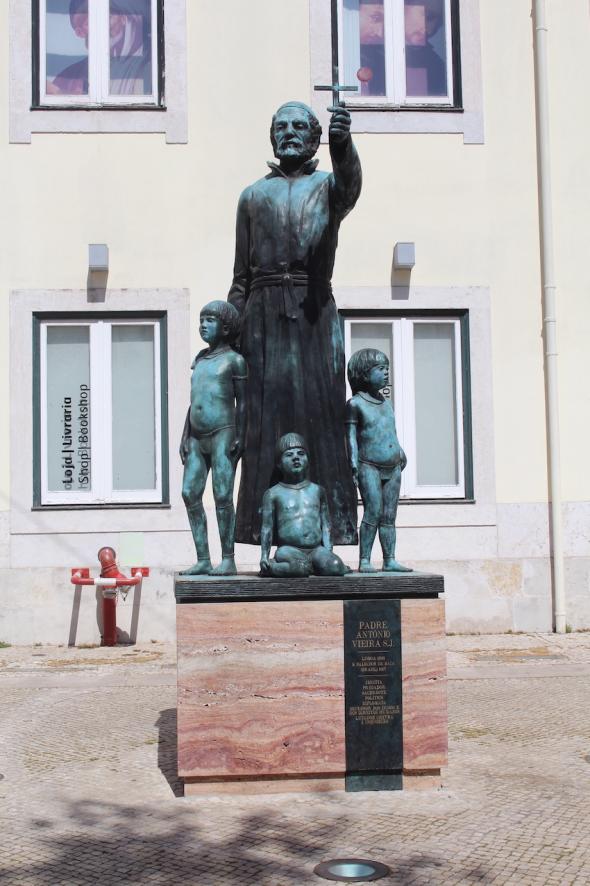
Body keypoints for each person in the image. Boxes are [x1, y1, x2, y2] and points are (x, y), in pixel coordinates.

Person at [228, 100, 362, 547]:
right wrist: (231, 334)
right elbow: (240, 276)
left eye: (298, 126)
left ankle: (332, 530)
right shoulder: (252, 196)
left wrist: (343, 146)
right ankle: (259, 531)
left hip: (312, 308)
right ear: (272, 136)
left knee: (321, 408)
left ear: (314, 136)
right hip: (262, 316)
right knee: (262, 418)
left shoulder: (327, 186)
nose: (288, 132)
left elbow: (350, 188)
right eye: (280, 126)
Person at [179, 301, 247, 576]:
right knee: (189, 493)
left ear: (226, 327)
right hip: (196, 436)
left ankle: (228, 558)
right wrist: (185, 434)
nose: (203, 324)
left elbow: (242, 403)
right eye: (201, 319)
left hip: (223, 433)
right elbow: (194, 401)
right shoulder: (199, 359)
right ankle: (203, 558)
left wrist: (241, 435)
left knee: (222, 495)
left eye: (210, 320)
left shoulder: (234, 360)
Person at [346, 349, 412, 573]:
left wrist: (400, 450)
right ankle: (365, 559)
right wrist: (353, 464)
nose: (386, 374)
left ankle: (389, 558)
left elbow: (388, 432)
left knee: (389, 516)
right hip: (369, 465)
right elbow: (351, 439)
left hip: (393, 466)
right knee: (372, 511)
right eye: (380, 369)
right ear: (364, 374)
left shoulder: (386, 403)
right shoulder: (355, 404)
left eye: (387, 369)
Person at [260, 434, 349, 578]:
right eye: (289, 455)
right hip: (288, 550)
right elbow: (267, 528)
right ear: (279, 464)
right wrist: (264, 556)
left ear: (308, 460)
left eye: (301, 454)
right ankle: (271, 567)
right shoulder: (273, 493)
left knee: (336, 567)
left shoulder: (318, 491)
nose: (296, 457)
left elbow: (326, 525)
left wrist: (329, 552)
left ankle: (312, 566)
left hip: (316, 550)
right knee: (298, 568)